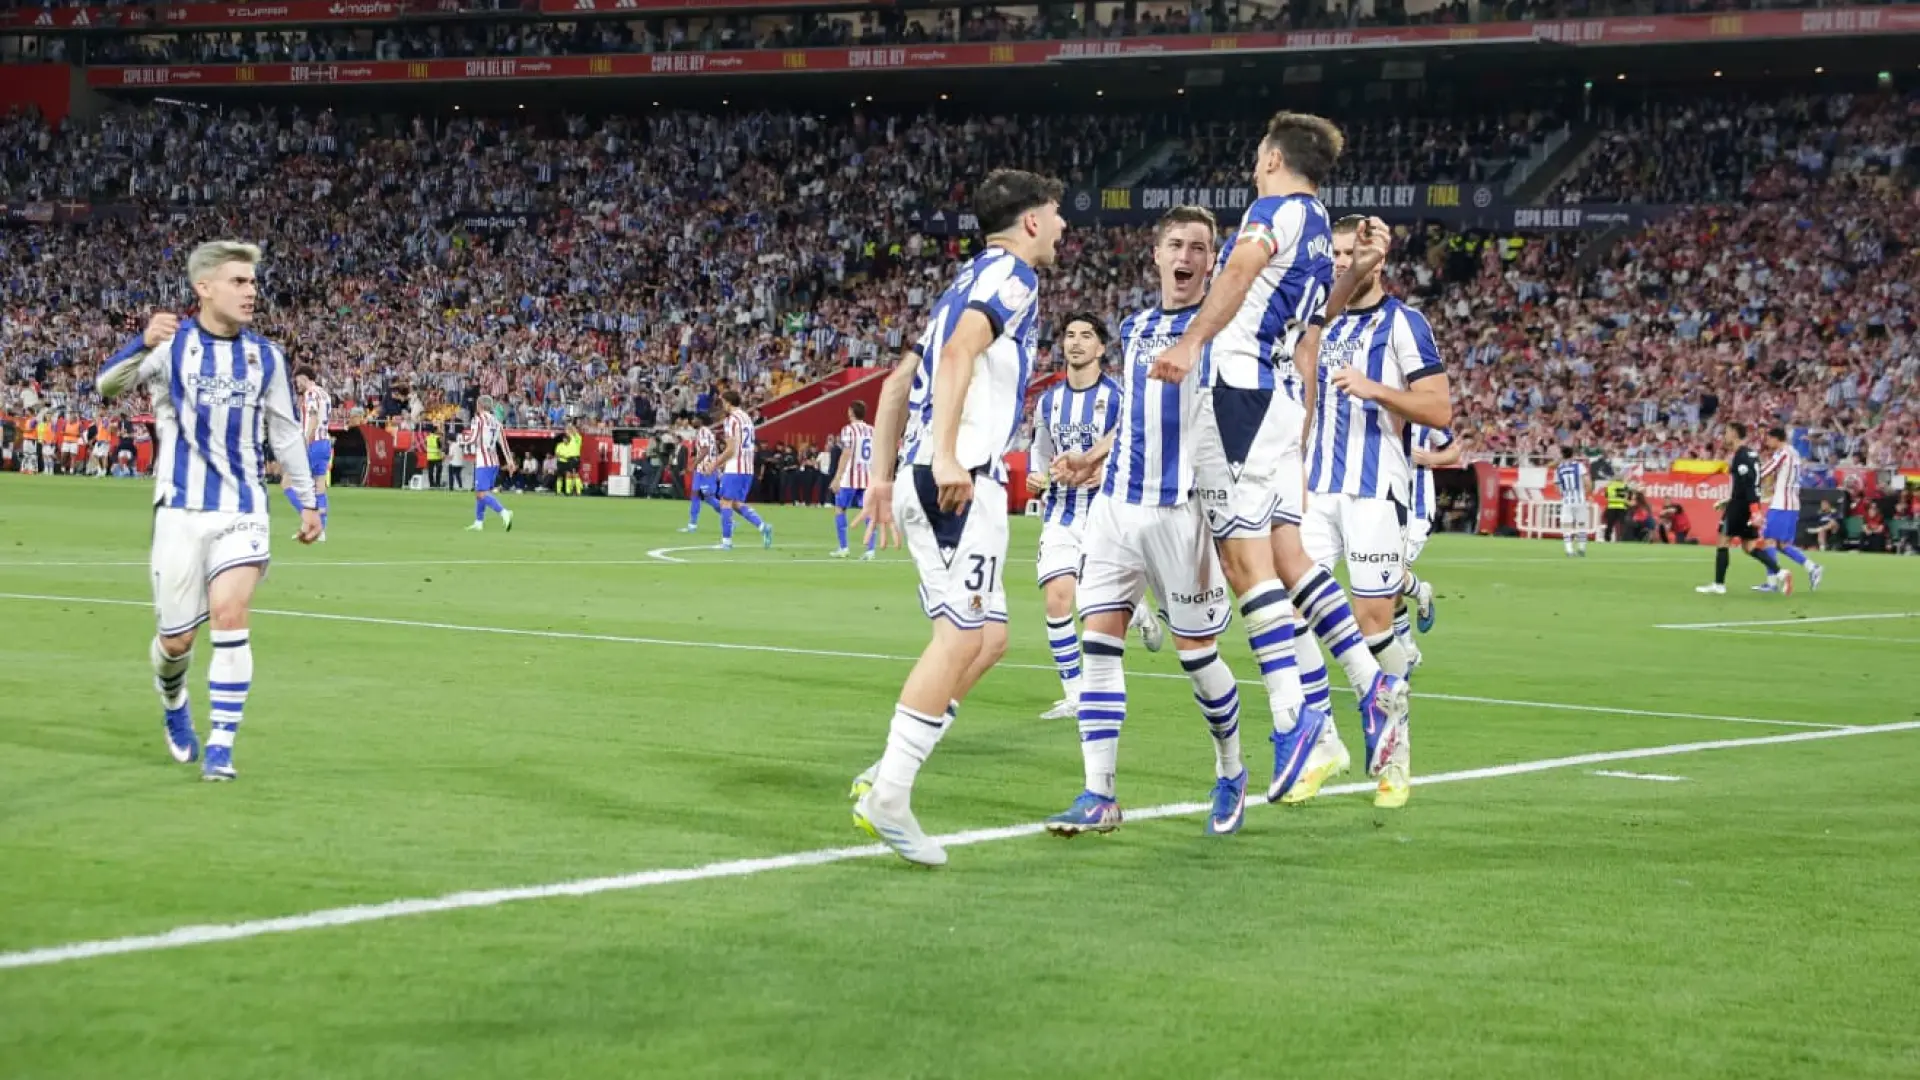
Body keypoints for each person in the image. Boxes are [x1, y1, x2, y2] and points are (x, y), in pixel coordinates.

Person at [1147, 117, 1411, 809]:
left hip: (1239, 390)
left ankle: (1296, 720)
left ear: (1269, 157)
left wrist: (1192, 343)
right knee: (1291, 558)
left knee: (1245, 564)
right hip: (1281, 395)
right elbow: (1315, 318)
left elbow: (1237, 271)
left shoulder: (1274, 211)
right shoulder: (1321, 222)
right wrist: (1355, 274)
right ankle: (1369, 683)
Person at [848, 168, 1064, 867]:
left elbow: (895, 382)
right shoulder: (1014, 278)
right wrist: (944, 457)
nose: (1062, 228)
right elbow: (956, 353)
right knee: (959, 635)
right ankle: (890, 791)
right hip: (960, 479)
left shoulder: (958, 283)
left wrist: (880, 476)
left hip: (943, 473)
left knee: (989, 638)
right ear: (1030, 221)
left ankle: (888, 775)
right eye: (1056, 215)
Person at [1040, 205, 1264, 836]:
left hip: (1181, 513)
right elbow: (1138, 415)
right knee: (1099, 645)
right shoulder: (1136, 327)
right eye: (1175, 244)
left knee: (1197, 657)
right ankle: (1099, 794)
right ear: (1157, 255)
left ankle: (1231, 770)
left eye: (1199, 247)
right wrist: (1093, 455)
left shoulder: (1220, 331)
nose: (1186, 255)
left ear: (1212, 262)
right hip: (1115, 507)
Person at [96, 239, 324, 781]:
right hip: (180, 509)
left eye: (252, 282)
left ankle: (222, 744)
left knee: (230, 612)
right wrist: (137, 341)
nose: (251, 292)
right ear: (205, 288)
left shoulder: (265, 356)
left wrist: (308, 501)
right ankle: (173, 701)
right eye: (238, 282)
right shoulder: (172, 347)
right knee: (176, 641)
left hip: (243, 508)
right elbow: (106, 387)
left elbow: (286, 432)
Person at [1291, 214, 1449, 810]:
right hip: (1312, 490)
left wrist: (1377, 389)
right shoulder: (1315, 321)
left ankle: (1394, 756)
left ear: (1374, 259)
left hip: (1373, 489)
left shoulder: (1403, 324)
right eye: (1330, 252)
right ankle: (1323, 743)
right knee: (1289, 613)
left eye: (1346, 252)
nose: (1336, 261)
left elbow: (1438, 409)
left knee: (1373, 622)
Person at [1027, 312, 1127, 721]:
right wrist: (1036, 473)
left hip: (1106, 516)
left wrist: (1106, 468)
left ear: (1101, 348)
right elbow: (1040, 448)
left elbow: (1134, 446)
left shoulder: (1118, 397)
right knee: (1058, 600)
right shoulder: (1049, 401)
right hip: (1062, 514)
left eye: (1086, 336)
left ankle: (1137, 615)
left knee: (1096, 605)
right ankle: (1075, 693)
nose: (1076, 342)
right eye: (1070, 335)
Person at [1697, 421, 1777, 594]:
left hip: (1741, 506)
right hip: (1745, 504)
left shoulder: (1741, 455)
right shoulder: (1751, 454)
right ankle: (1780, 572)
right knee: (1749, 547)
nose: (1724, 436)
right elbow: (1749, 483)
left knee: (1723, 540)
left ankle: (1719, 585)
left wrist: (1754, 509)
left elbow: (1748, 484)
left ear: (1734, 433)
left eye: (1726, 432)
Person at [1399, 422, 1456, 660]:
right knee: (1384, 581)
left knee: (1393, 574)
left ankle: (1407, 648)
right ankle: (1407, 647)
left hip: (1417, 510)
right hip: (1386, 505)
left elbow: (1454, 450)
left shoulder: (1424, 416)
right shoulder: (1378, 406)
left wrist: (1430, 457)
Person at [1756, 426, 1824, 591]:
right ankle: (1812, 567)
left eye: (1769, 438)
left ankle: (1772, 584)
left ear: (1776, 438)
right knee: (1781, 544)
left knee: (1768, 541)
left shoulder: (1782, 452)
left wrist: (1751, 475)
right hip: (1790, 503)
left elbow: (1767, 470)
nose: (1767, 442)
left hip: (1782, 504)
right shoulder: (1793, 452)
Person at [715, 389, 774, 550]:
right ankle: (763, 526)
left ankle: (726, 541)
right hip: (747, 466)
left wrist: (715, 464)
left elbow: (731, 449)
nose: (722, 406)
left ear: (728, 402)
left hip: (735, 466)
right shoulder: (747, 417)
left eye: (722, 402)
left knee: (725, 501)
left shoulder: (731, 420)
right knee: (735, 503)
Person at [829, 402, 880, 559]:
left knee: (840, 508)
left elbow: (846, 453)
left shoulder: (848, 430)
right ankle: (870, 550)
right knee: (869, 512)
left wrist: (837, 477)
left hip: (850, 477)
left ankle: (844, 548)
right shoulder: (872, 431)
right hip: (868, 477)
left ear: (851, 412)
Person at [461, 396, 516, 531]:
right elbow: (504, 444)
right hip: (494, 461)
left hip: (483, 461)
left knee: (481, 494)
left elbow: (473, 438)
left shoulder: (478, 419)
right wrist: (510, 462)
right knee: (481, 492)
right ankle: (479, 522)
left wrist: (460, 440)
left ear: (480, 405)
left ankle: (504, 512)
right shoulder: (497, 422)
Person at [292, 369, 332, 540]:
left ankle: (310, 523)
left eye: (298, 380)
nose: (297, 384)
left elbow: (313, 417)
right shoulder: (324, 393)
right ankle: (319, 529)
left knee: (290, 483)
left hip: (313, 442)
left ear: (304, 377)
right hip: (325, 442)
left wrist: (306, 441)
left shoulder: (310, 394)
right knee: (319, 485)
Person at [678, 414, 723, 532]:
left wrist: (693, 464)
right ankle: (692, 525)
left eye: (694, 419)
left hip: (706, 468)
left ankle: (728, 517)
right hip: (701, 469)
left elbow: (705, 450)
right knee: (695, 494)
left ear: (700, 420)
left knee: (708, 497)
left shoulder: (703, 431)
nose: (692, 421)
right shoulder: (705, 432)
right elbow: (714, 449)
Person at [1556, 446, 1590, 558]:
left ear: (1562, 455)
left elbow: (1557, 487)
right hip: (1580, 500)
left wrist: (1563, 494)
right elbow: (1587, 482)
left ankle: (1569, 550)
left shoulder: (1559, 468)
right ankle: (1581, 548)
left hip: (1567, 500)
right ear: (1572, 454)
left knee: (1566, 525)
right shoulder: (1579, 466)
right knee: (1581, 524)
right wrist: (1586, 493)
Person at [555, 421, 583, 496]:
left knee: (575, 474)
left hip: (575, 458)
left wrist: (572, 425)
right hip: (570, 459)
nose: (570, 432)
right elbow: (568, 431)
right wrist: (568, 425)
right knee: (569, 475)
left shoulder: (578, 438)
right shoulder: (569, 439)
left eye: (572, 431)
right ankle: (569, 491)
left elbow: (573, 431)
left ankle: (579, 491)